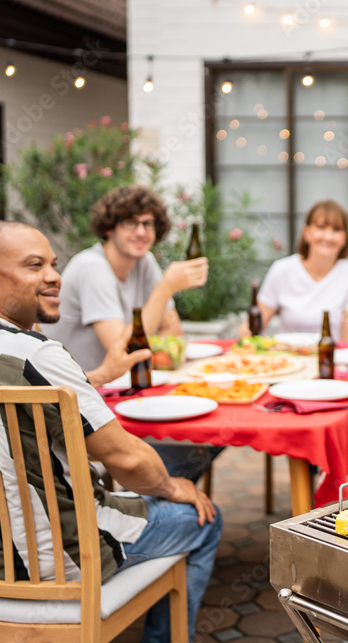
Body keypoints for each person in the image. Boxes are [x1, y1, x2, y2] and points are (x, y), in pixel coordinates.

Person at [0, 221, 222, 641]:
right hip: (66, 557)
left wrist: (94, 376)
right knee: (203, 517)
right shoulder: (38, 355)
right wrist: (172, 486)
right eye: (35, 265)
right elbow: (125, 458)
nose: (55, 276)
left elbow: (6, 393)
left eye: (53, 264)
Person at [43, 186, 219, 483]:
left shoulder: (144, 262)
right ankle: (151, 504)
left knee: (213, 430)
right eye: (130, 223)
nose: (141, 231)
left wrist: (159, 314)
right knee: (189, 445)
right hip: (85, 399)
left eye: (147, 223)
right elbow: (121, 352)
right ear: (110, 228)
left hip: (126, 391)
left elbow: (172, 335)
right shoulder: (92, 268)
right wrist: (165, 288)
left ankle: (164, 497)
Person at [241, 199, 348, 343]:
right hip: (285, 357)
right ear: (306, 232)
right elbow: (255, 324)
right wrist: (246, 331)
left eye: (337, 229)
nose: (328, 236)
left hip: (329, 358)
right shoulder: (282, 269)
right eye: (321, 227)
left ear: (345, 238)